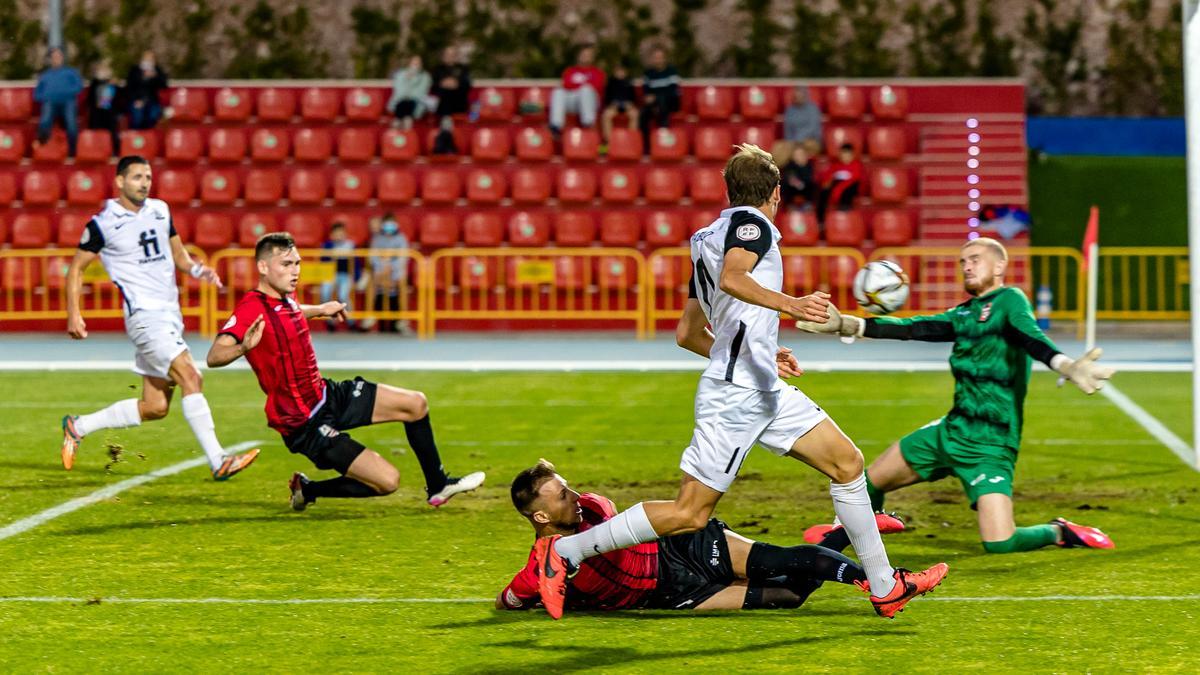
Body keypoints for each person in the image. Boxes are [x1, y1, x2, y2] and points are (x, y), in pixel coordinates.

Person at [533, 144, 948, 621]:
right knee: (690, 513)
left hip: (759, 383)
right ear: (775, 193)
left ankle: (885, 586)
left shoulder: (705, 237)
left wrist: (762, 352)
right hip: (735, 396)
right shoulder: (753, 226)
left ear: (727, 191)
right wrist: (792, 305)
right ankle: (567, 552)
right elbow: (734, 278)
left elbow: (689, 332)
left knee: (847, 463)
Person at [795, 237, 1117, 554]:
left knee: (1000, 543)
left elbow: (1031, 338)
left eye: (976, 258)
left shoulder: (1010, 301)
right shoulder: (963, 314)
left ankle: (1058, 531)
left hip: (991, 443)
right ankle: (846, 535)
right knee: (867, 484)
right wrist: (849, 325)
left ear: (1000, 264)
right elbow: (914, 328)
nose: (967, 266)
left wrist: (1066, 365)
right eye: (963, 261)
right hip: (949, 432)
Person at [206, 232, 485, 510]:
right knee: (388, 481)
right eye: (286, 264)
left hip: (327, 394)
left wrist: (321, 309)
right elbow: (214, 356)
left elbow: (288, 313)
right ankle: (308, 488)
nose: (295, 271)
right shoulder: (251, 308)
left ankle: (438, 486)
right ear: (263, 267)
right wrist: (244, 347)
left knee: (415, 403)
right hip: (304, 423)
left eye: (297, 264)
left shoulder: (284, 298)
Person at [61, 155, 259, 480]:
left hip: (169, 316)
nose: (144, 182)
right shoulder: (103, 223)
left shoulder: (161, 210)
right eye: (137, 177)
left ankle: (77, 426)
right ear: (120, 181)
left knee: (155, 407)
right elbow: (76, 269)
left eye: (148, 176)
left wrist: (199, 269)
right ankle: (219, 459)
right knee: (192, 378)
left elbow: (179, 256)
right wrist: (74, 313)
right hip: (144, 317)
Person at [499, 459, 906, 613]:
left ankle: (878, 584)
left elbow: (602, 517)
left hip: (679, 546)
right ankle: (845, 530)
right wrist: (516, 599)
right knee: (789, 596)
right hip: (671, 593)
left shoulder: (593, 508)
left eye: (568, 488)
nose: (573, 497)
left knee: (774, 562)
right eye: (560, 495)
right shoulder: (541, 564)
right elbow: (511, 596)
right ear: (539, 515)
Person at [34, 47, 84, 158]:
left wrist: (66, 93)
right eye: (54, 57)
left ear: (62, 58)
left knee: (71, 124)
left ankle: (72, 153)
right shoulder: (45, 75)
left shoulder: (71, 72)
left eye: (59, 56)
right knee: (45, 119)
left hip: (68, 102)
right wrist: (47, 96)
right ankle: (42, 150)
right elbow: (37, 94)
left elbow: (79, 87)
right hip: (50, 102)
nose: (56, 59)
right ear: (50, 59)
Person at [549, 44, 605, 137]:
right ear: (578, 56)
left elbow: (597, 88)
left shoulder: (597, 72)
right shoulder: (570, 71)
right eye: (583, 54)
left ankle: (588, 124)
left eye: (588, 55)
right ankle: (556, 127)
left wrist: (577, 86)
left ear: (593, 58)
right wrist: (581, 85)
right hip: (574, 100)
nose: (585, 57)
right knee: (558, 92)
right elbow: (565, 85)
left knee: (586, 90)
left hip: (591, 102)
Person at [369, 213, 412, 334]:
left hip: (396, 272)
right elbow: (373, 257)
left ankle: (399, 321)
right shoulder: (377, 238)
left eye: (391, 224)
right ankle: (374, 319)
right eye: (387, 224)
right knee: (376, 287)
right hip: (380, 271)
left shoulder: (401, 238)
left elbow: (403, 257)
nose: (389, 227)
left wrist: (391, 267)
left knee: (399, 288)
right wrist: (382, 268)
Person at [319, 222, 359, 333]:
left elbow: (355, 264)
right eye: (336, 233)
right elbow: (323, 262)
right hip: (330, 275)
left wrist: (355, 278)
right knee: (325, 293)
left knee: (343, 295)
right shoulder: (327, 246)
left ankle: (351, 322)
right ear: (331, 235)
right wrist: (331, 255)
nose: (339, 235)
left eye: (341, 233)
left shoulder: (350, 245)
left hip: (345, 275)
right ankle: (330, 322)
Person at [639, 46, 681, 152]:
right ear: (652, 59)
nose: (658, 60)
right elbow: (646, 92)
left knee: (662, 102)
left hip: (671, 103)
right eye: (656, 58)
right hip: (654, 104)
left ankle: (662, 143)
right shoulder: (648, 74)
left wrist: (656, 97)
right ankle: (646, 146)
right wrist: (653, 101)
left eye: (660, 57)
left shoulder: (672, 72)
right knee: (643, 113)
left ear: (664, 58)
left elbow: (673, 92)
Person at [816, 143, 863, 224]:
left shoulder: (856, 165)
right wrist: (826, 182)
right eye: (843, 154)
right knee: (823, 191)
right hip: (836, 185)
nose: (845, 157)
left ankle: (844, 216)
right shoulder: (836, 165)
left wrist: (838, 190)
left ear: (852, 155)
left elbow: (853, 180)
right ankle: (820, 221)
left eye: (848, 155)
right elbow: (827, 175)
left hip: (849, 186)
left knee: (848, 190)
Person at [85, 60, 122, 157]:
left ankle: (114, 152)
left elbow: (119, 100)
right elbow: (89, 100)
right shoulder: (94, 84)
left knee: (113, 128)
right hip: (97, 113)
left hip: (110, 113)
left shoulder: (113, 85)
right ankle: (94, 150)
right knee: (95, 126)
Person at [125, 50, 168, 130]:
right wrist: (136, 100)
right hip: (136, 100)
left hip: (152, 100)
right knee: (138, 118)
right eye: (147, 59)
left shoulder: (157, 70)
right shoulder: (135, 70)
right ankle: (136, 138)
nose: (149, 61)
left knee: (153, 116)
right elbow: (129, 87)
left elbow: (164, 85)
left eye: (151, 59)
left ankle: (148, 137)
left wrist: (155, 76)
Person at [387, 55, 432, 130]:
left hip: (416, 103)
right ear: (409, 64)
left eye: (418, 63)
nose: (416, 66)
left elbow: (420, 93)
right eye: (414, 63)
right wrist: (407, 80)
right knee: (403, 102)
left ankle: (399, 121)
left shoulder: (425, 77)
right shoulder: (401, 75)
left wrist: (414, 80)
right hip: (400, 101)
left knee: (409, 102)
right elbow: (399, 92)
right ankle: (405, 122)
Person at [600, 63, 638, 149]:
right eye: (618, 71)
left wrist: (630, 104)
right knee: (606, 115)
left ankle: (630, 142)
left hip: (627, 107)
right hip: (614, 107)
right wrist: (611, 104)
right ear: (614, 72)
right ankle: (609, 143)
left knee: (634, 114)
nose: (620, 73)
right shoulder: (610, 83)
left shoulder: (629, 83)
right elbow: (607, 99)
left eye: (622, 71)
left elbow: (633, 99)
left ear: (626, 72)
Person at [430, 45, 471, 119]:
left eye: (452, 54)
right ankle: (446, 121)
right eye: (447, 54)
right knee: (445, 95)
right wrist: (442, 84)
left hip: (458, 100)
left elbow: (467, 84)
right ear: (443, 56)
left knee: (450, 94)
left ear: (455, 56)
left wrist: (457, 84)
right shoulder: (437, 69)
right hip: (442, 101)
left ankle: (446, 121)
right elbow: (433, 86)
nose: (450, 56)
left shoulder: (463, 69)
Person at [783, 85, 822, 157]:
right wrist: (790, 141)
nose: (798, 98)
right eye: (796, 96)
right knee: (779, 147)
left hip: (811, 140)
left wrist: (798, 140)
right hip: (793, 142)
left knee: (795, 150)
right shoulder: (789, 110)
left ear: (805, 96)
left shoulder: (813, 108)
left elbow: (812, 128)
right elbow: (787, 130)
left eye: (800, 96)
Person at [779, 144, 817, 210]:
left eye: (801, 154)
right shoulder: (789, 167)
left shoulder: (812, 167)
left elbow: (812, 182)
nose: (799, 157)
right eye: (796, 155)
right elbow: (788, 180)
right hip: (791, 200)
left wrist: (801, 184)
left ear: (806, 155)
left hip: (808, 199)